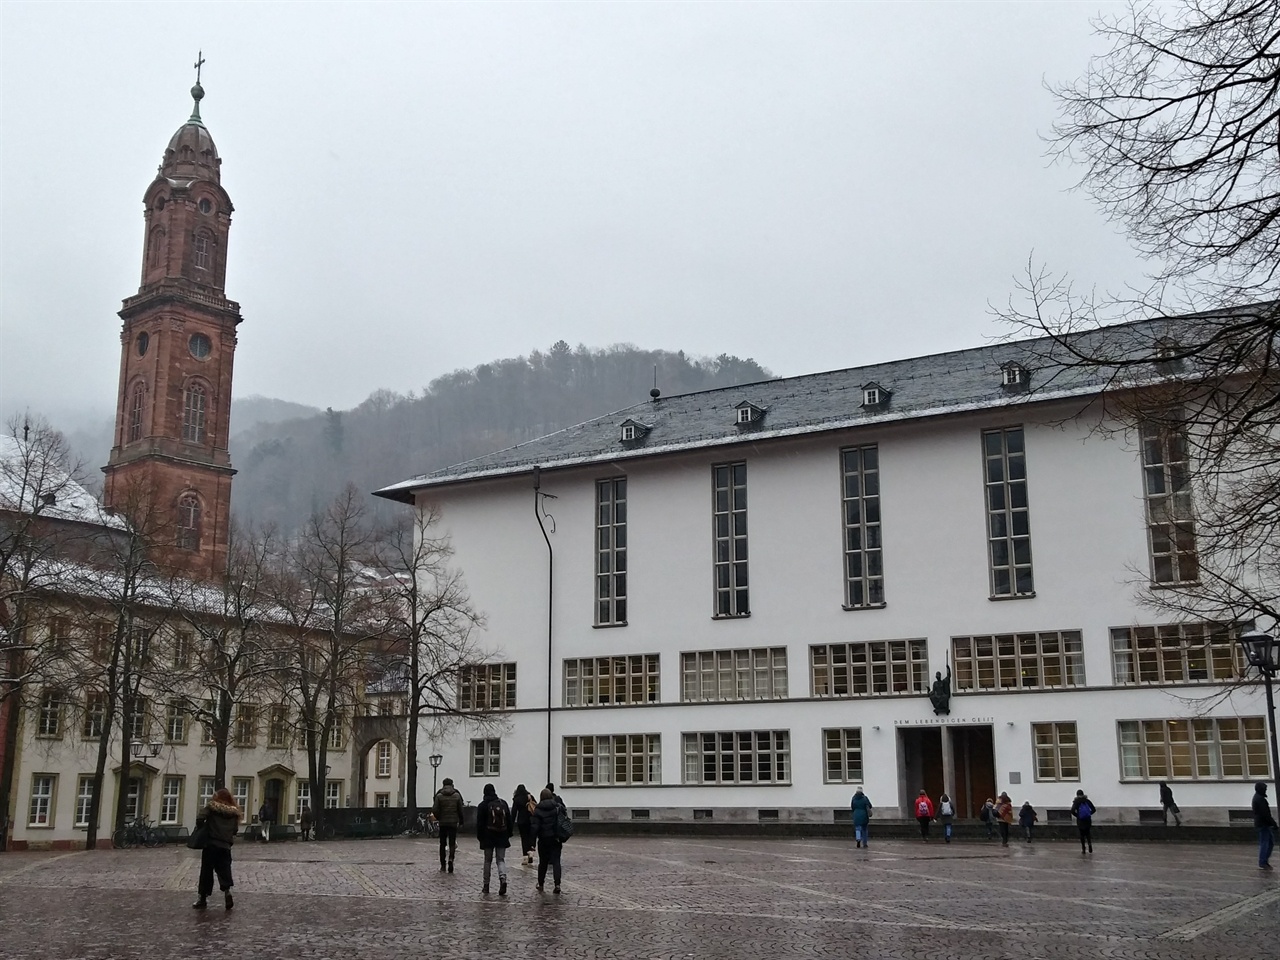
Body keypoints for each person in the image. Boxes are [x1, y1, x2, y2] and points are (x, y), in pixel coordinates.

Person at [193, 787, 242, 910]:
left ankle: (202, 898)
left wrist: (204, 827)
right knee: (225, 870)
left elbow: (200, 817)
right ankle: (227, 891)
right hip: (225, 846)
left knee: (206, 872)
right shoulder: (234, 813)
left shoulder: (212, 807)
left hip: (211, 844)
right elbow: (235, 830)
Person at [476, 783, 513, 895]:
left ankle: (486, 885)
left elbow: (479, 824)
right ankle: (503, 879)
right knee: (500, 860)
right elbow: (509, 821)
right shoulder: (503, 803)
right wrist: (508, 834)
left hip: (488, 836)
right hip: (501, 835)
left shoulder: (482, 805)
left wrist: (480, 838)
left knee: (487, 861)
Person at [531, 787, 565, 893]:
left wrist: (532, 843)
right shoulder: (557, 807)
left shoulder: (538, 809)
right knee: (556, 862)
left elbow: (535, 827)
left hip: (543, 839)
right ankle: (557, 884)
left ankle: (541, 883)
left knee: (543, 863)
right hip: (556, 838)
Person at [433, 776, 465, 873]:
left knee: (442, 844)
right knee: (452, 843)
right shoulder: (457, 795)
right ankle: (451, 859)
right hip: (453, 822)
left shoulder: (439, 796)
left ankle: (443, 864)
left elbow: (435, 809)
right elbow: (460, 809)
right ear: (452, 784)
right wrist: (461, 820)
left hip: (443, 822)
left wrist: (439, 817)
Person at [1252, 781, 1276, 870]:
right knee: (1265, 843)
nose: (1266, 790)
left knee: (1269, 842)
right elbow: (1265, 814)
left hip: (1262, 823)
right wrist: (1273, 823)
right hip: (1263, 824)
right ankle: (1263, 861)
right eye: (1265, 789)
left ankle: (1264, 860)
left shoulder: (1258, 798)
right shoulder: (1260, 799)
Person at [513, 784, 536, 865]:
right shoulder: (530, 797)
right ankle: (531, 853)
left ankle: (525, 857)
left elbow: (514, 812)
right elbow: (535, 806)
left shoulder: (516, 799)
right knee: (531, 836)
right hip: (530, 820)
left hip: (521, 821)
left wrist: (511, 823)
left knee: (524, 838)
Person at [1070, 789, 1094, 854]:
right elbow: (1094, 809)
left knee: (1082, 835)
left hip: (1080, 821)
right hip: (1087, 820)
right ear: (1083, 794)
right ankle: (1089, 845)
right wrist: (1089, 814)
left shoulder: (1076, 802)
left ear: (1077, 795)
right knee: (1088, 833)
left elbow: (1072, 811)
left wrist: (1078, 815)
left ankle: (1083, 848)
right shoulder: (1087, 801)